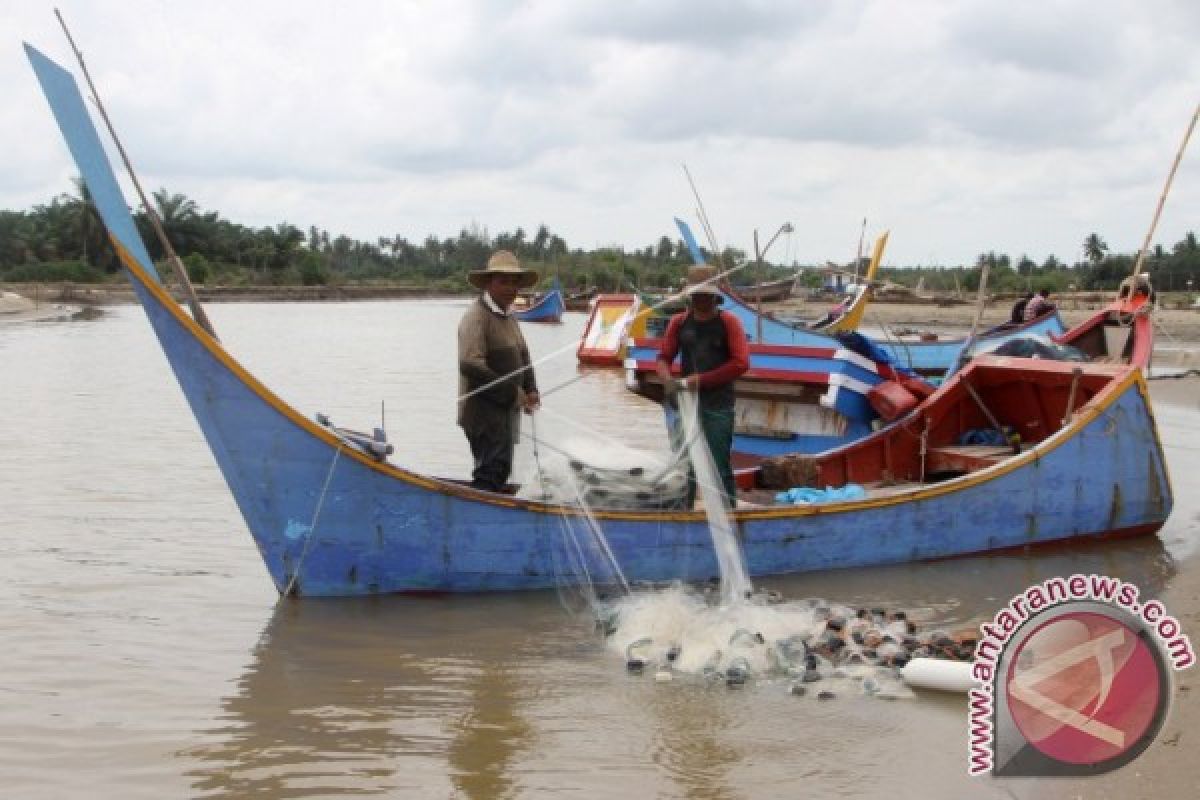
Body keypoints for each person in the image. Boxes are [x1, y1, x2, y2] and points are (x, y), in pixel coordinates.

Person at [655, 265, 750, 508]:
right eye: (696, 295)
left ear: (714, 296)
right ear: (690, 296)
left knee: (719, 463)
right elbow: (663, 358)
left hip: (718, 404)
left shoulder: (729, 323)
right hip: (687, 403)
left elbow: (740, 363)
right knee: (685, 462)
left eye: (705, 295)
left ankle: (729, 512)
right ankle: (684, 511)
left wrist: (700, 381)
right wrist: (667, 381)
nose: (700, 300)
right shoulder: (679, 322)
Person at [457, 250, 541, 492]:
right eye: (503, 281)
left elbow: (524, 357)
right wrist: (513, 394)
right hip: (482, 415)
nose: (510, 288)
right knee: (490, 471)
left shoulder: (509, 316)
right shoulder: (476, 317)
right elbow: (470, 365)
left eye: (514, 282)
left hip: (506, 413)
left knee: (501, 468)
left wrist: (531, 389)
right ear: (488, 283)